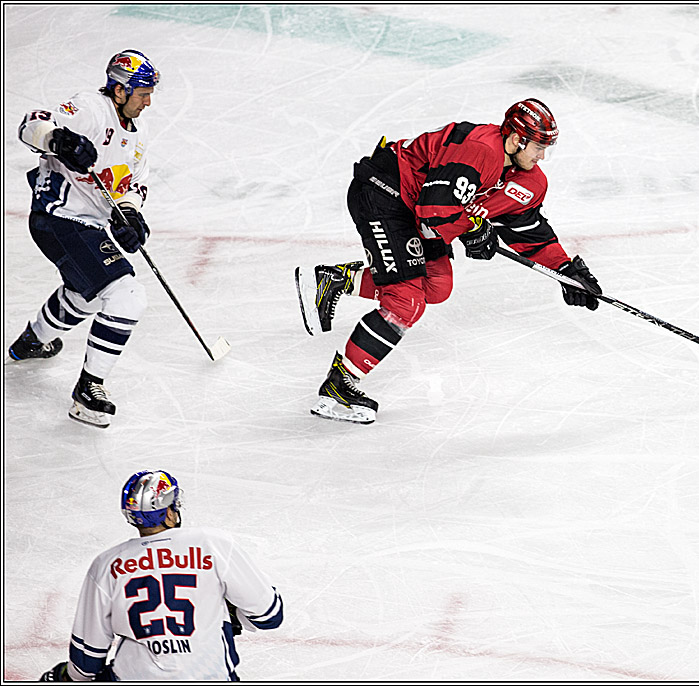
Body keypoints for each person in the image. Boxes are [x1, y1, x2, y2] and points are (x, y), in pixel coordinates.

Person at [295, 99, 602, 424]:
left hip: (416, 210)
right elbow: (434, 213)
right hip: (386, 192)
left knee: (437, 286)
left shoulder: (530, 181)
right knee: (406, 303)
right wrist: (473, 229)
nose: (542, 156)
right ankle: (340, 384)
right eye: (539, 147)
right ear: (516, 139)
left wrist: (565, 270)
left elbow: (529, 233)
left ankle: (337, 280)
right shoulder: (481, 149)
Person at [8, 50, 159, 429]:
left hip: (83, 224)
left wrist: (130, 216)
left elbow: (130, 188)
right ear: (120, 90)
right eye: (142, 92)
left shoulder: (137, 143)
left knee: (85, 293)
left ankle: (32, 341)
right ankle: (87, 391)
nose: (148, 100)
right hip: (57, 216)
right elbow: (30, 125)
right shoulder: (92, 108)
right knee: (126, 295)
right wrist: (58, 139)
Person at [39, 469, 284, 681]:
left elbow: (85, 664)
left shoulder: (106, 564)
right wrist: (232, 612)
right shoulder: (214, 544)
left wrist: (64, 677)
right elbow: (270, 615)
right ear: (168, 513)